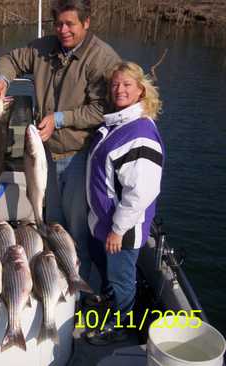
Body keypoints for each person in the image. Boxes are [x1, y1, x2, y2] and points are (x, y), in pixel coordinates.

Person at [0, 0, 120, 283]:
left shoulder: (102, 59)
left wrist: (60, 119)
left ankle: (78, 290)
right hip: (45, 155)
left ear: (86, 22)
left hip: (79, 157)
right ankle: (54, 282)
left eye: (70, 24)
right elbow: (10, 60)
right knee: (53, 224)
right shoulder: (43, 48)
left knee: (76, 231)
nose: (63, 30)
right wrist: (2, 82)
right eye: (58, 24)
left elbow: (104, 108)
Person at [84, 61, 164, 345]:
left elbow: (141, 192)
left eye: (127, 85)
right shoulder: (120, 122)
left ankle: (119, 327)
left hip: (121, 231)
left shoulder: (140, 133)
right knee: (109, 274)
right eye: (115, 84)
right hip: (104, 225)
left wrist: (117, 230)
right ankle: (110, 306)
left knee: (121, 280)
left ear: (141, 91)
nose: (119, 90)